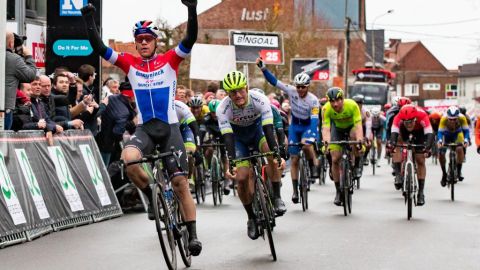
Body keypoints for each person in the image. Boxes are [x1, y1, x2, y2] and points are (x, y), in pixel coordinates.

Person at [81, 0, 201, 256]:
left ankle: (192, 233)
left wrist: (192, 9)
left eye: (148, 38)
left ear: (156, 42)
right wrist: (89, 20)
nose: (144, 42)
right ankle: (151, 196)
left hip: (169, 128)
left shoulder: (171, 59)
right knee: (129, 159)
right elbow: (99, 47)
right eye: (140, 39)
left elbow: (190, 38)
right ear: (135, 43)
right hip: (146, 129)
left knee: (180, 183)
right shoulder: (129, 63)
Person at [217, 71, 284, 240]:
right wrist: (231, 163)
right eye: (232, 92)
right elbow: (228, 137)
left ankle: (276, 197)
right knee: (241, 178)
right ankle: (251, 217)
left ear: (246, 88)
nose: (238, 95)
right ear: (227, 94)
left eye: (240, 90)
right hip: (238, 139)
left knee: (270, 151)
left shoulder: (260, 99)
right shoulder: (223, 108)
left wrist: (276, 154)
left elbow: (269, 128)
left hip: (257, 132)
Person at [256, 57, 320, 204]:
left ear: (308, 87)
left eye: (303, 87)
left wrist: (310, 136)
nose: (300, 89)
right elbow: (274, 82)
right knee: (295, 158)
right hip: (294, 126)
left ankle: (313, 165)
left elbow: (315, 121)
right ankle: (296, 190)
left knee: (307, 145)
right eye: (298, 86)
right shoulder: (291, 91)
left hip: (308, 125)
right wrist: (263, 68)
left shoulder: (314, 100)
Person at [322, 87, 364, 206]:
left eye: (338, 100)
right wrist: (326, 142)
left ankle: (356, 166)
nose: (335, 104)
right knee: (335, 158)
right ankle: (338, 191)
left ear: (343, 99)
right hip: (337, 129)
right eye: (332, 101)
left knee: (354, 138)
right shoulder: (326, 108)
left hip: (351, 128)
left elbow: (358, 125)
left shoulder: (352, 105)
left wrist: (360, 139)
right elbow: (325, 128)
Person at [388, 105, 434, 206]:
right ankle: (399, 175)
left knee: (420, 159)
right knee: (397, 144)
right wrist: (392, 145)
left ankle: (421, 193)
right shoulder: (398, 118)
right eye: (406, 122)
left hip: (419, 132)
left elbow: (429, 133)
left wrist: (427, 147)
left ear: (415, 118)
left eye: (411, 122)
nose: (409, 125)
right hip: (403, 132)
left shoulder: (422, 115)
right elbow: (394, 132)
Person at [4, 31, 37, 130]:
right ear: (11, 43)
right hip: (4, 108)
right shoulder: (13, 59)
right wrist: (29, 56)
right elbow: (30, 76)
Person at [437, 106, 470, 185]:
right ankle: (444, 174)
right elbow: (440, 132)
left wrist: (466, 140)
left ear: (458, 117)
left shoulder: (462, 118)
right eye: (450, 119)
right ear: (447, 117)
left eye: (455, 119)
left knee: (459, 149)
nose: (452, 121)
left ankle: (458, 171)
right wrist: (440, 141)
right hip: (446, 134)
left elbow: (466, 131)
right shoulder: (443, 118)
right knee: (441, 153)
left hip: (457, 133)